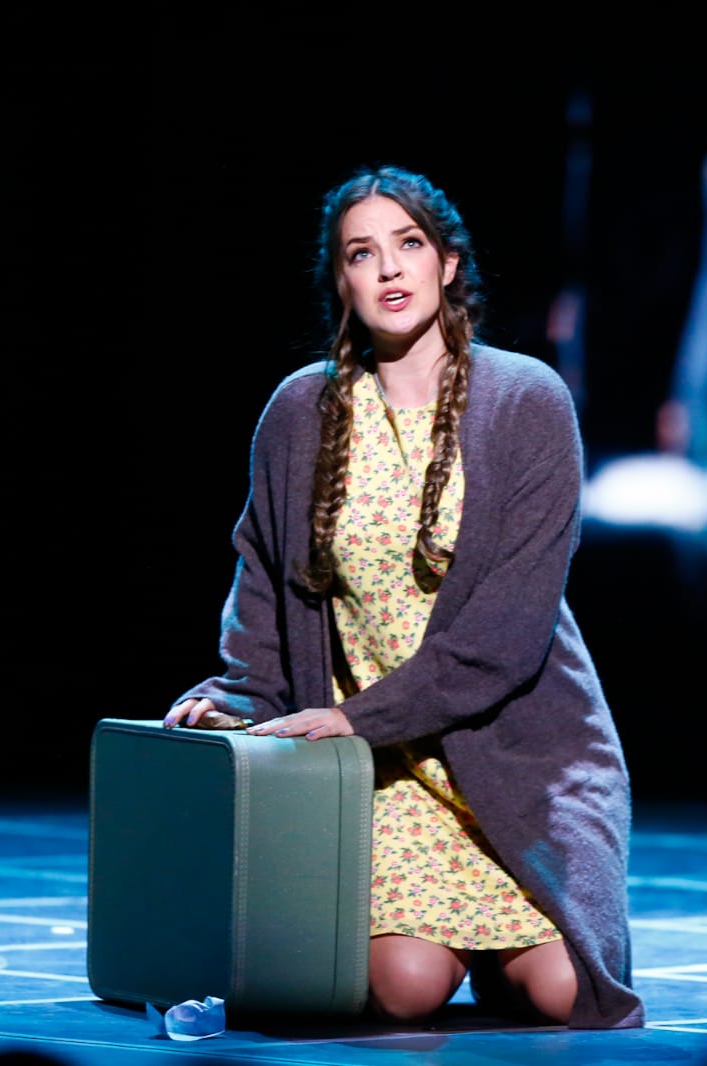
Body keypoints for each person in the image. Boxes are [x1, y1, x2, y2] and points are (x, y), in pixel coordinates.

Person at [164, 165, 644, 1031]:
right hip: (380, 770)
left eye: (409, 244)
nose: (388, 268)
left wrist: (354, 717)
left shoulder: (526, 400)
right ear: (340, 281)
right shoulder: (301, 411)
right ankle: (449, 945)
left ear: (447, 263)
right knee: (406, 989)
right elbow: (264, 579)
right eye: (361, 253)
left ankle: (503, 952)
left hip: (524, 756)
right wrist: (240, 695)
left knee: (571, 998)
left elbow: (504, 639)